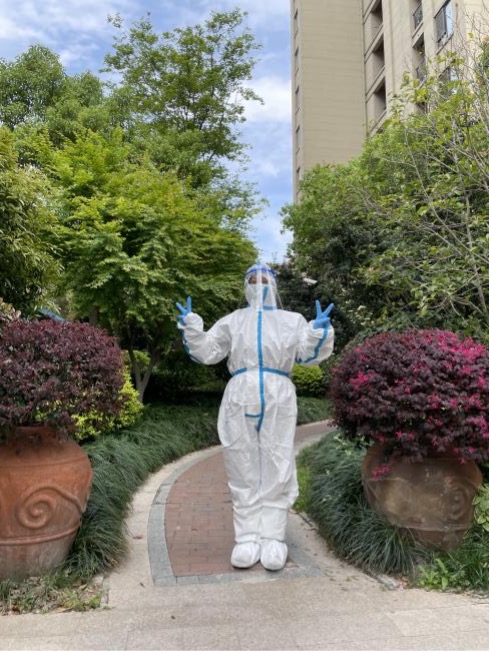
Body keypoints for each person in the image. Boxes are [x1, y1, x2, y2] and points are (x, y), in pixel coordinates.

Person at [176, 264, 334, 571]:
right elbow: (208, 351)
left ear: (274, 284)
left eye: (264, 279)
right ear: (245, 285)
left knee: (278, 462)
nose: (259, 284)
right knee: (241, 463)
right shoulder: (233, 321)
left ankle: (273, 538)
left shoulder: (292, 321)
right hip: (240, 394)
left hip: (278, 395)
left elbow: (307, 354)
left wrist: (318, 331)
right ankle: (246, 538)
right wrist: (192, 328)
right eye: (252, 279)